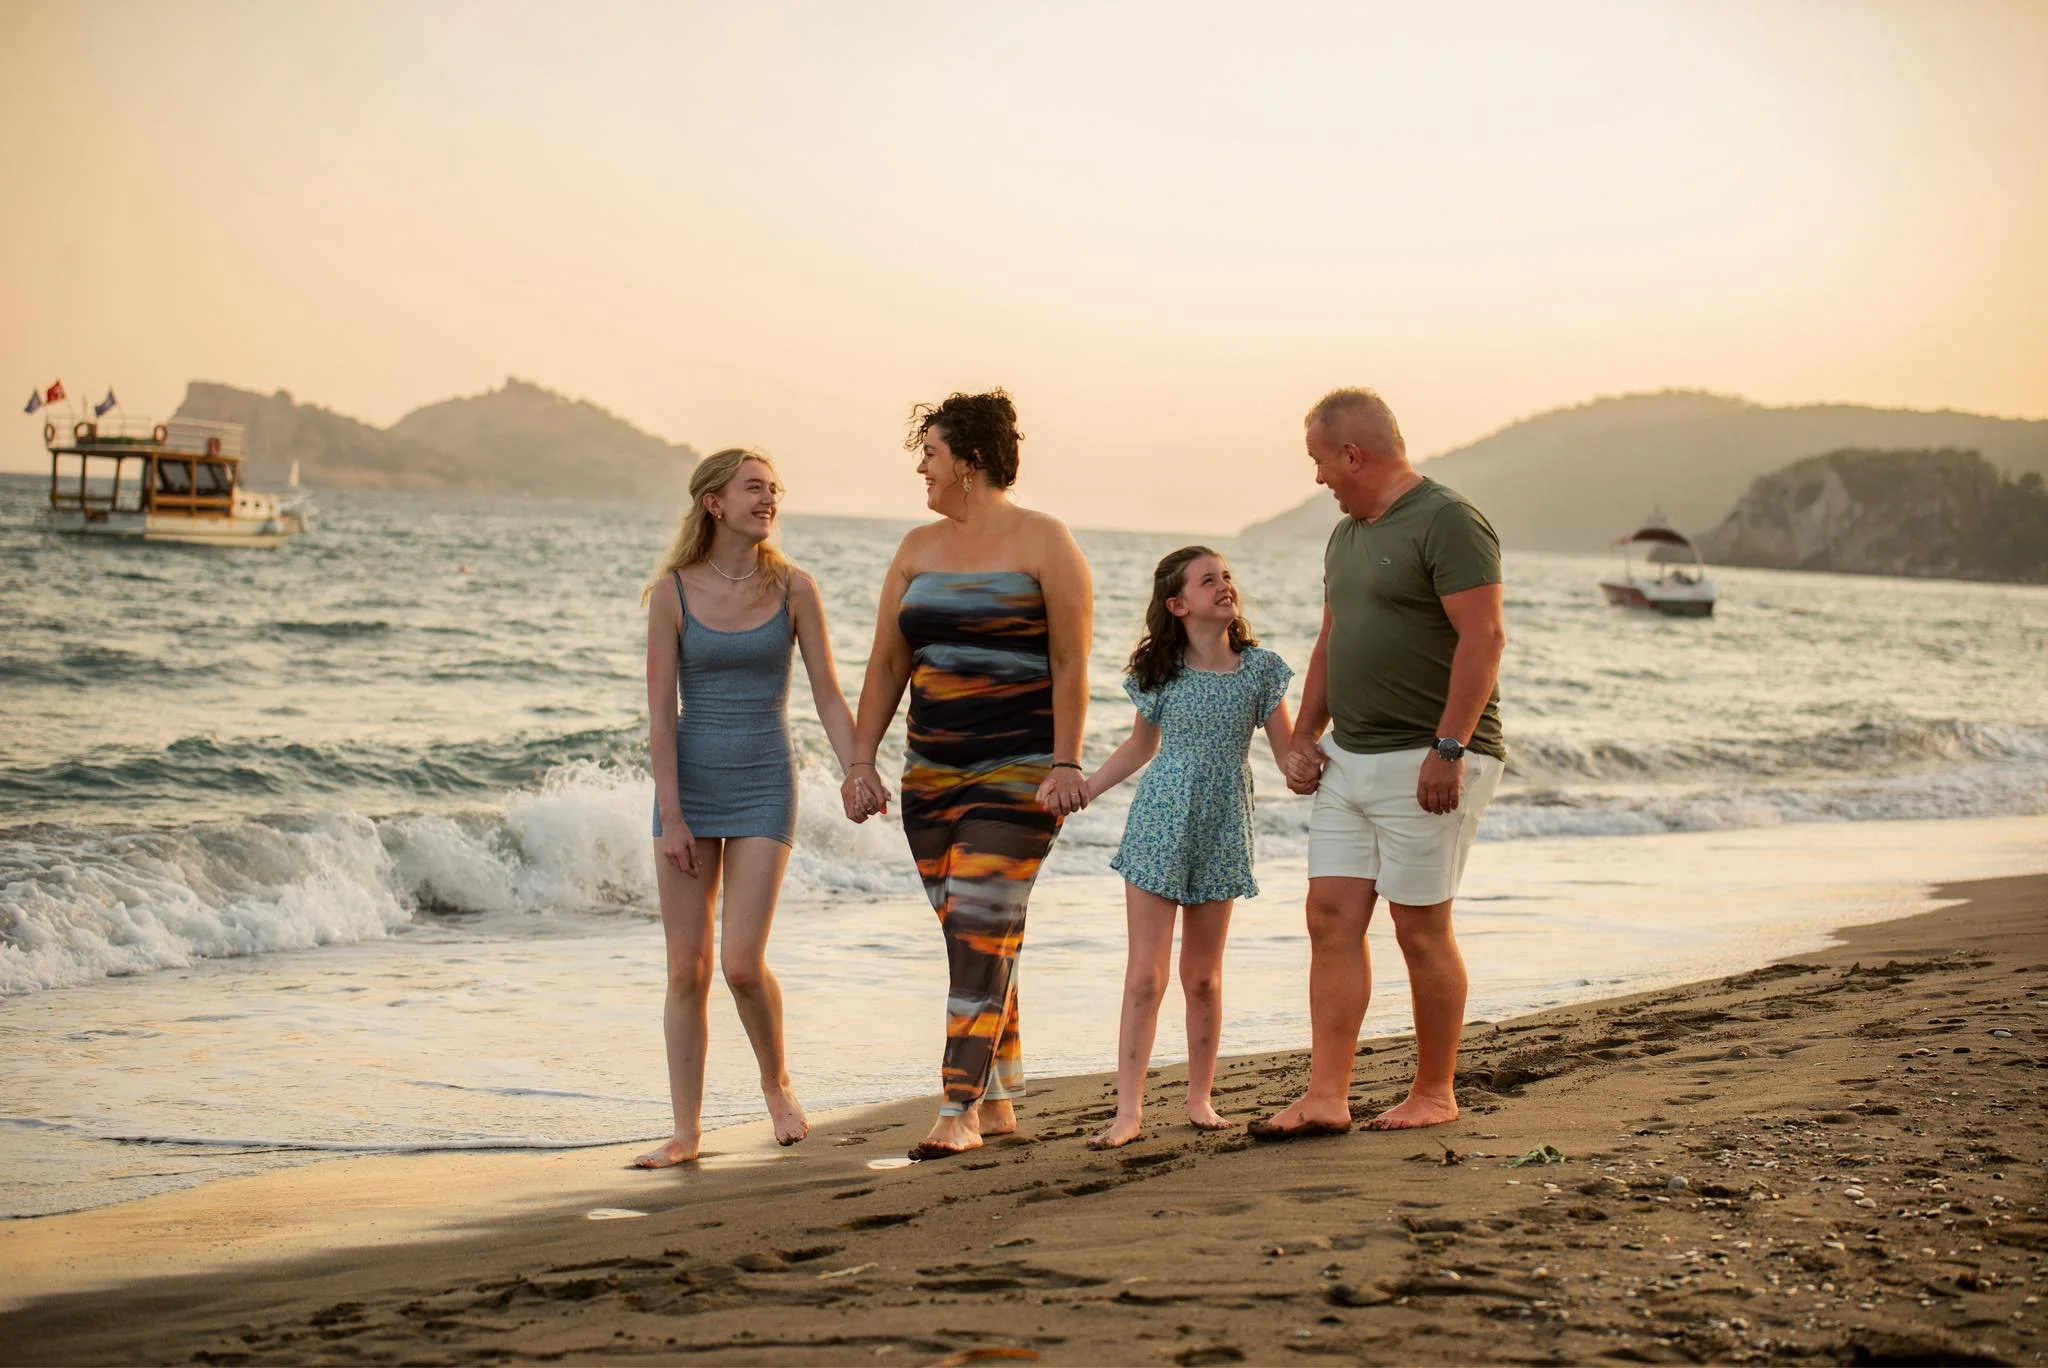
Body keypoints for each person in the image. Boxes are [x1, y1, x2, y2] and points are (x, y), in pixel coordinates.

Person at [841, 390, 1093, 1161]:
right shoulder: (916, 549)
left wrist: (1066, 762)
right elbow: (888, 661)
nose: (922, 466)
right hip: (931, 776)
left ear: (970, 462)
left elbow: (1069, 662)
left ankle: (959, 1109)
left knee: (981, 930)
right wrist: (861, 760)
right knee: (973, 935)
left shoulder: (1046, 542)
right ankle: (1004, 1093)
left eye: (932, 453)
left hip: (1018, 775)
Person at [1254, 388, 1509, 1140]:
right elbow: (1332, 641)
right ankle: (1327, 1096)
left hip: (1431, 757)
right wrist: (1304, 737)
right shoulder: (1346, 537)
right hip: (1349, 758)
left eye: (1320, 462)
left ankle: (1436, 1092)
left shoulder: (1448, 520)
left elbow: (1484, 640)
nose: (1319, 478)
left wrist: (1449, 747)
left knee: (1418, 928)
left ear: (1352, 454)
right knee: (1329, 917)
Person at [636, 448, 860, 1167]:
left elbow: (827, 691)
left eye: (775, 490)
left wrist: (858, 767)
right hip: (690, 790)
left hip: (766, 779)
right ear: (715, 503)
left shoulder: (795, 588)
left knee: (738, 962)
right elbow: (661, 717)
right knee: (686, 969)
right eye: (754, 488)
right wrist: (672, 815)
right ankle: (686, 1133)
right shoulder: (672, 592)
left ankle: (777, 1083)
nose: (769, 499)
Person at [1081, 546, 1295, 1150]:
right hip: (1160, 820)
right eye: (1209, 581)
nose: (1225, 585)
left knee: (1201, 977)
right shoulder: (1162, 675)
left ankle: (1200, 1097)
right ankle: (1128, 1111)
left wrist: (1347, 765)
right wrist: (1088, 788)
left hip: (1223, 823)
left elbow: (1289, 756)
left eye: (1227, 575)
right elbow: (1139, 747)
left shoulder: (1261, 670)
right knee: (1145, 977)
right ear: (1177, 605)